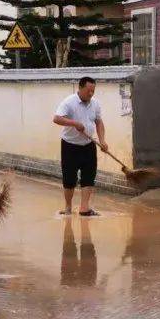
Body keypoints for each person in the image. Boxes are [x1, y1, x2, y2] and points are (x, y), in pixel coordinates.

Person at [53, 76, 108, 216]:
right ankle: (68, 207)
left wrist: (102, 141)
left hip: (88, 145)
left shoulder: (95, 103)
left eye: (93, 91)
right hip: (70, 146)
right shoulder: (69, 102)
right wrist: (74, 123)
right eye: (88, 91)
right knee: (69, 178)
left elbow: (99, 122)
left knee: (89, 176)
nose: (90, 94)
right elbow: (57, 118)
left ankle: (84, 208)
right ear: (80, 88)